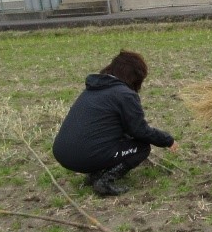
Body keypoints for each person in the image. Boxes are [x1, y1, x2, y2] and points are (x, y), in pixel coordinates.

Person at [52, 50, 179, 196]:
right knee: (142, 147)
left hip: (62, 153)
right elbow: (139, 131)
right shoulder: (125, 95)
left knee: (121, 138)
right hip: (85, 156)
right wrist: (167, 140)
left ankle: (95, 173)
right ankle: (105, 181)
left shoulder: (93, 89)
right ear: (135, 77)